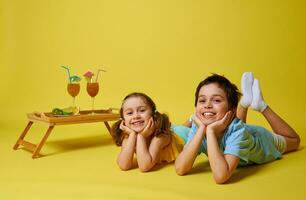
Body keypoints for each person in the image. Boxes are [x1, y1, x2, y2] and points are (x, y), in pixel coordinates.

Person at [175, 72, 300, 184]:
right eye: (202, 101)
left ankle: (261, 106)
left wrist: (210, 131)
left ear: (231, 109)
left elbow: (221, 176)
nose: (207, 105)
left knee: (294, 140)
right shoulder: (199, 128)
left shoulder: (238, 131)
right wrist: (202, 129)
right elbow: (180, 168)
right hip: (239, 130)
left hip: (261, 140)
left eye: (216, 100)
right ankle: (245, 103)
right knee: (235, 128)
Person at [111, 92, 187, 172]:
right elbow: (124, 165)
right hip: (171, 128)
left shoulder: (160, 137)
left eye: (142, 110)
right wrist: (133, 135)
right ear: (123, 120)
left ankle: (191, 120)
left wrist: (141, 136)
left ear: (153, 114)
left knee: (183, 128)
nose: (136, 116)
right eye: (130, 113)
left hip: (181, 134)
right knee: (176, 127)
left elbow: (145, 166)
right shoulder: (128, 136)